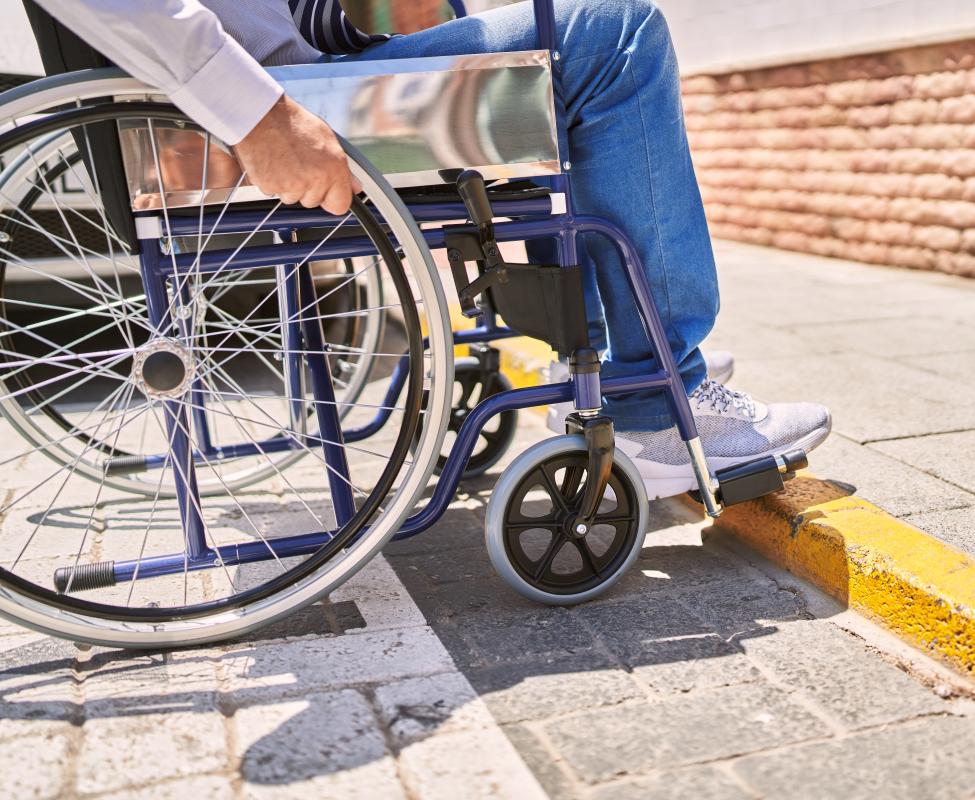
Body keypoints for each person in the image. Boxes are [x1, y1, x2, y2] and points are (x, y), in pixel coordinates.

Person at [30, 0, 831, 499]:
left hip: (284, 83)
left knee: (567, 50)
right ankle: (659, 404)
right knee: (615, 36)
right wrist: (261, 117)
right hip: (275, 105)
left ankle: (626, 356)